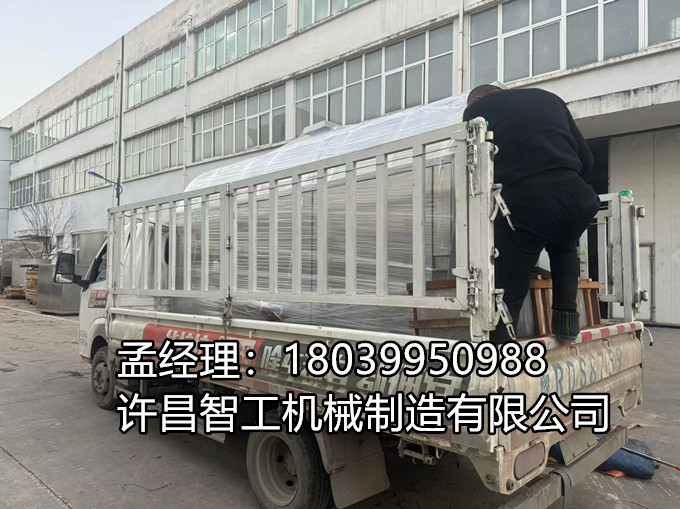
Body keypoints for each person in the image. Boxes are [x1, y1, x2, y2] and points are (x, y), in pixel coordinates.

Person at [463, 85, 600, 344]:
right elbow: (587, 160)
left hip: (528, 204)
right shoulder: (550, 99)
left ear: (478, 99)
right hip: (576, 199)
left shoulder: (476, 112)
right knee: (565, 248)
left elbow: (474, 170)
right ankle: (566, 331)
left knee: (509, 282)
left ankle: (500, 351)